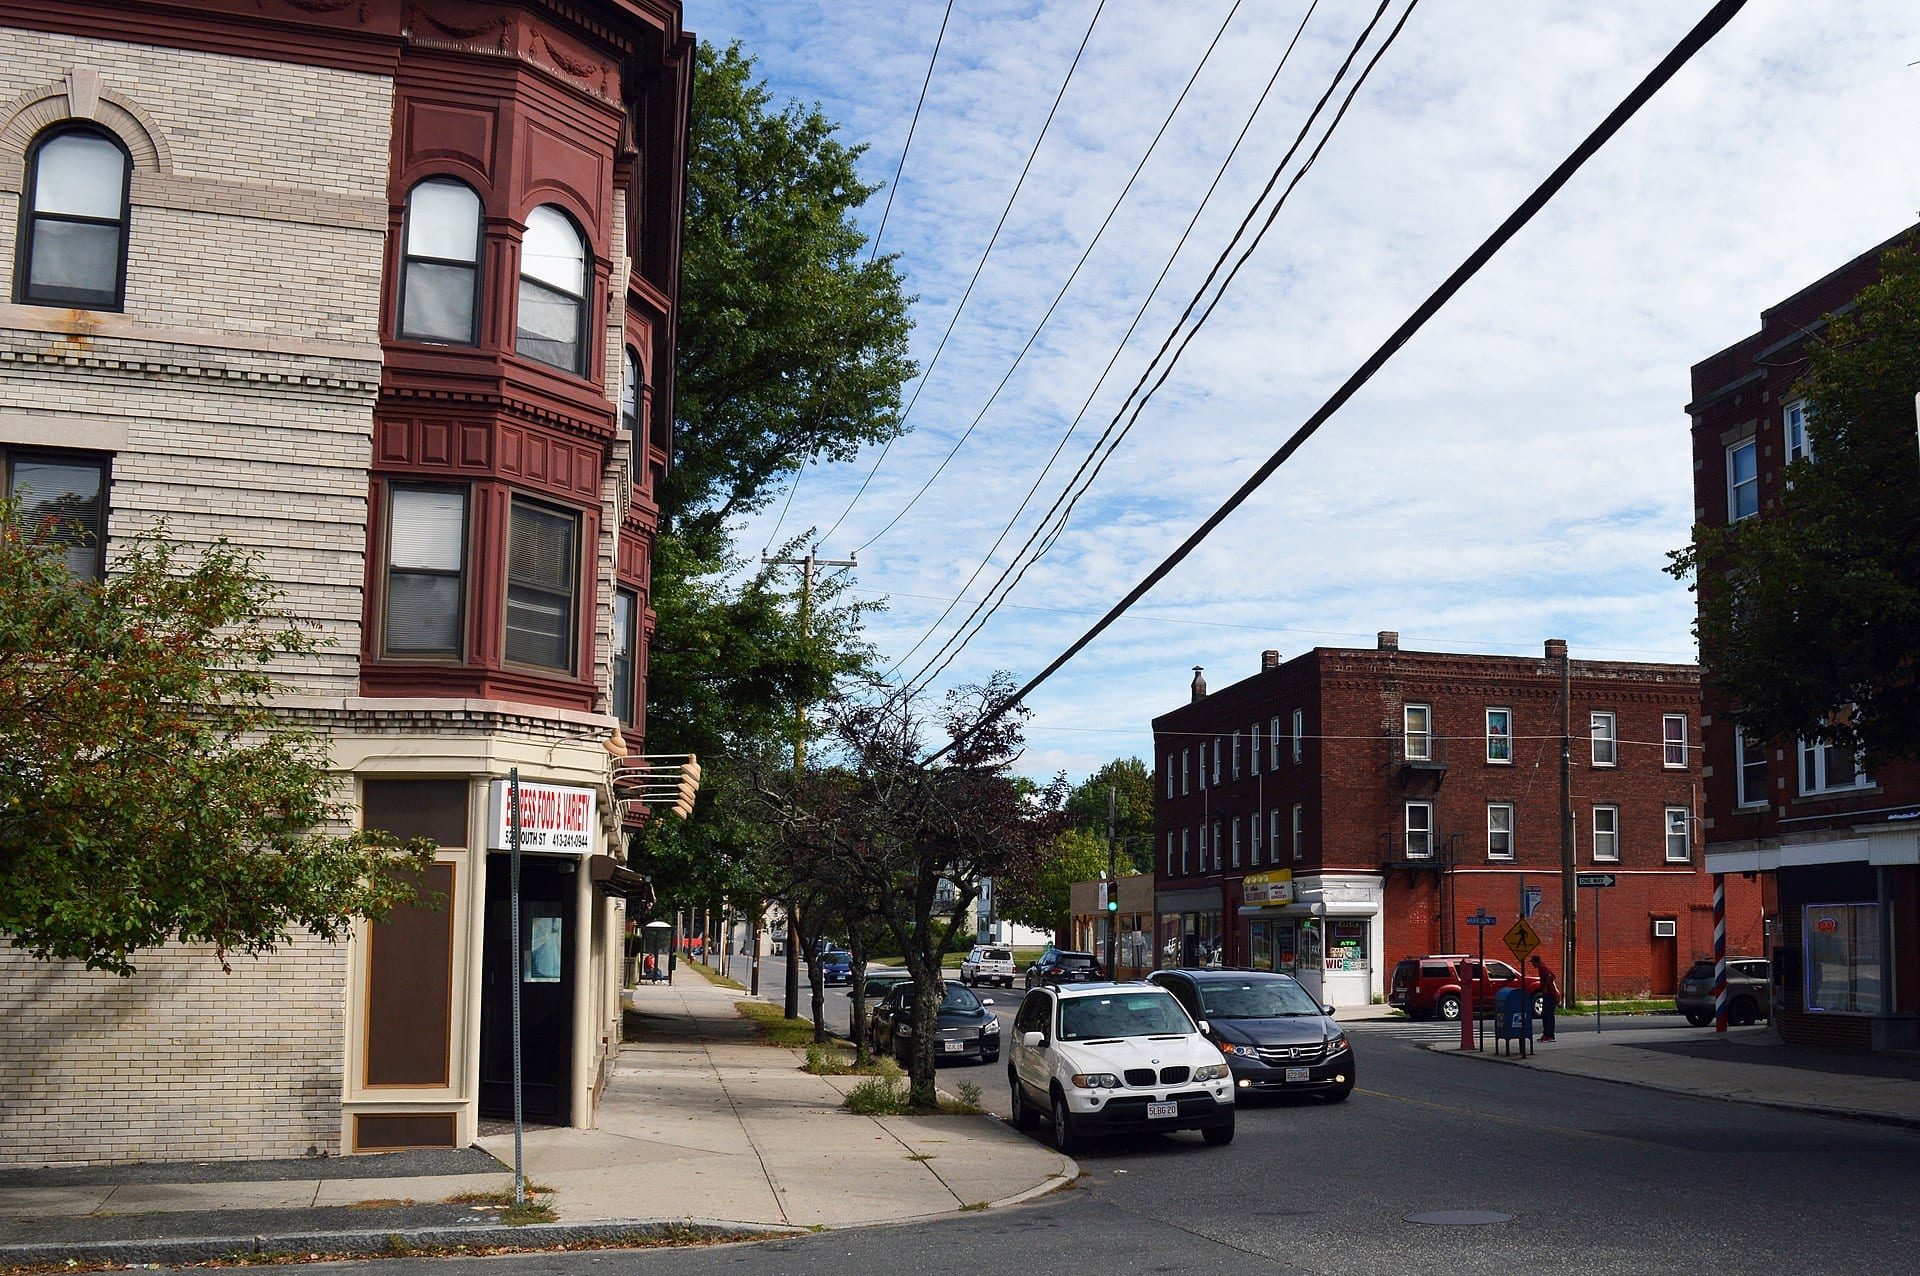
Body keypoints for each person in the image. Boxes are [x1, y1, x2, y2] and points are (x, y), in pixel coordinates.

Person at [1531, 954, 1559, 1040]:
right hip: (1548, 994)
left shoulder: (1542, 968)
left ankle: (1549, 1035)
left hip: (1550, 994)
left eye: (1532, 962)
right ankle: (1546, 1034)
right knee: (1545, 1014)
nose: (1532, 964)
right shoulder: (1542, 968)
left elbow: (1551, 976)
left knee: (1548, 1015)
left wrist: (1546, 987)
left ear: (1536, 961)